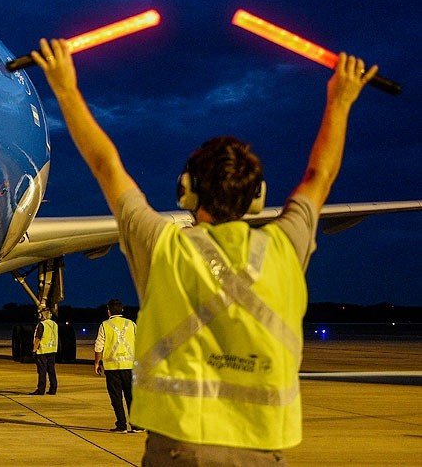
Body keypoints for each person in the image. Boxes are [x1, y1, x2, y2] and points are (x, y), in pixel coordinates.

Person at [33, 38, 376, 465]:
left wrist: (64, 88)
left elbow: (107, 165)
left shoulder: (164, 247)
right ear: (258, 198)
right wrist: (341, 100)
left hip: (180, 451)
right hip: (261, 452)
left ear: (185, 192)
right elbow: (318, 176)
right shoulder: (284, 248)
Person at [94, 299, 142, 433]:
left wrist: (97, 362)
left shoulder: (104, 325)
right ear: (122, 310)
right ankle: (136, 425)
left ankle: (121, 425)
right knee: (131, 396)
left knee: (116, 398)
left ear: (109, 311)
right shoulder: (131, 324)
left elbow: (99, 345)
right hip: (129, 367)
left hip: (112, 367)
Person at [31, 308, 58, 395]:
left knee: (42, 371)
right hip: (52, 350)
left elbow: (37, 339)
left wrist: (34, 350)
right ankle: (53, 389)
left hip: (42, 351)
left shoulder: (42, 325)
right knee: (51, 370)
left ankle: (41, 390)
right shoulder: (54, 324)